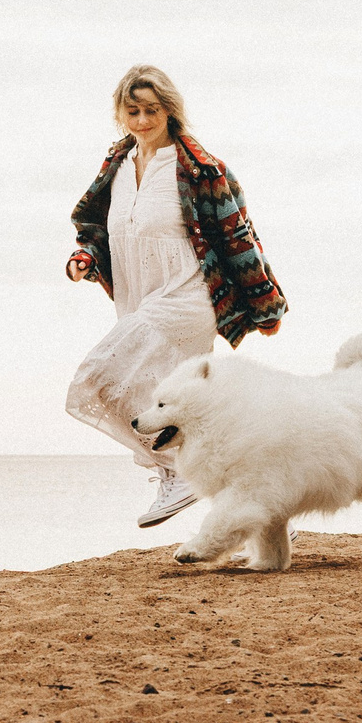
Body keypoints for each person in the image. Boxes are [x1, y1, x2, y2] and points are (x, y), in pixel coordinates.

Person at [63, 65, 287, 527]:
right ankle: (260, 505)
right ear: (120, 113)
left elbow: (239, 239)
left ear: (169, 110)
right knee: (182, 411)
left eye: (152, 110)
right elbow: (94, 227)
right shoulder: (116, 166)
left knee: (98, 378)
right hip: (138, 298)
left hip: (186, 299)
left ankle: (178, 473)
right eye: (133, 111)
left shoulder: (202, 169)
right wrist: (83, 257)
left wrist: (264, 307)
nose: (142, 120)